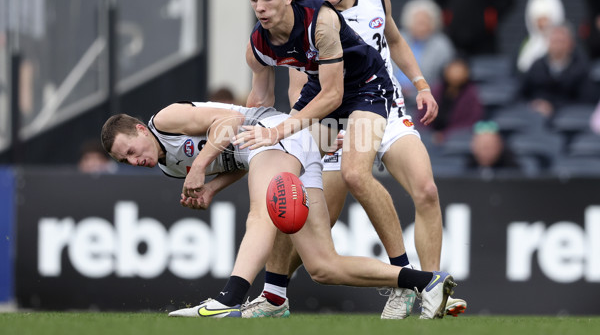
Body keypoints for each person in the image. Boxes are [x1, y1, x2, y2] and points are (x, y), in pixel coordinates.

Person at [240, 0, 465, 320]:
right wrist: (307, 128)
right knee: (303, 210)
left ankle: (427, 288)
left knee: (425, 189)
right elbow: (301, 88)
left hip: (381, 105)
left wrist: (422, 84)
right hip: (329, 116)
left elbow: (394, 41)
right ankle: (274, 294)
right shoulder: (306, 19)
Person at [100, 101, 457, 319]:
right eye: (124, 161)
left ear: (140, 128)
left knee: (261, 214)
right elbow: (235, 160)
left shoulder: (166, 120)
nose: (134, 161)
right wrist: (210, 185)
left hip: (273, 134)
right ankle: (428, 281)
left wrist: (199, 165)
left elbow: (229, 122)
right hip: (291, 150)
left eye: (131, 150)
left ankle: (229, 299)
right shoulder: (167, 166)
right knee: (322, 266)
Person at [519, 22, 591, 118]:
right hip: (535, 117)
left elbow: (585, 101)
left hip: (568, 119)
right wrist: (534, 104)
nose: (557, 46)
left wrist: (553, 107)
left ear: (571, 44)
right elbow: (521, 94)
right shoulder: (537, 66)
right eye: (554, 41)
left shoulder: (581, 68)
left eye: (561, 41)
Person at [398, 0, 456, 97]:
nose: (422, 26)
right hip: (394, 94)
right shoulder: (399, 39)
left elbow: (445, 78)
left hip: (427, 96)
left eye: (425, 22)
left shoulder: (442, 44)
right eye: (418, 22)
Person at [425, 57, 484, 144]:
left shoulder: (472, 93)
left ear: (467, 73)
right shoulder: (436, 89)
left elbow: (472, 121)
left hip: (457, 139)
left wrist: (445, 134)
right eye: (453, 69)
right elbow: (422, 115)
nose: (455, 74)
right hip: (431, 136)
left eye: (459, 70)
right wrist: (431, 134)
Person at [517, 0, 565, 74]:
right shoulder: (525, 48)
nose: (543, 25)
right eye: (539, 21)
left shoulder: (567, 48)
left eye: (545, 20)